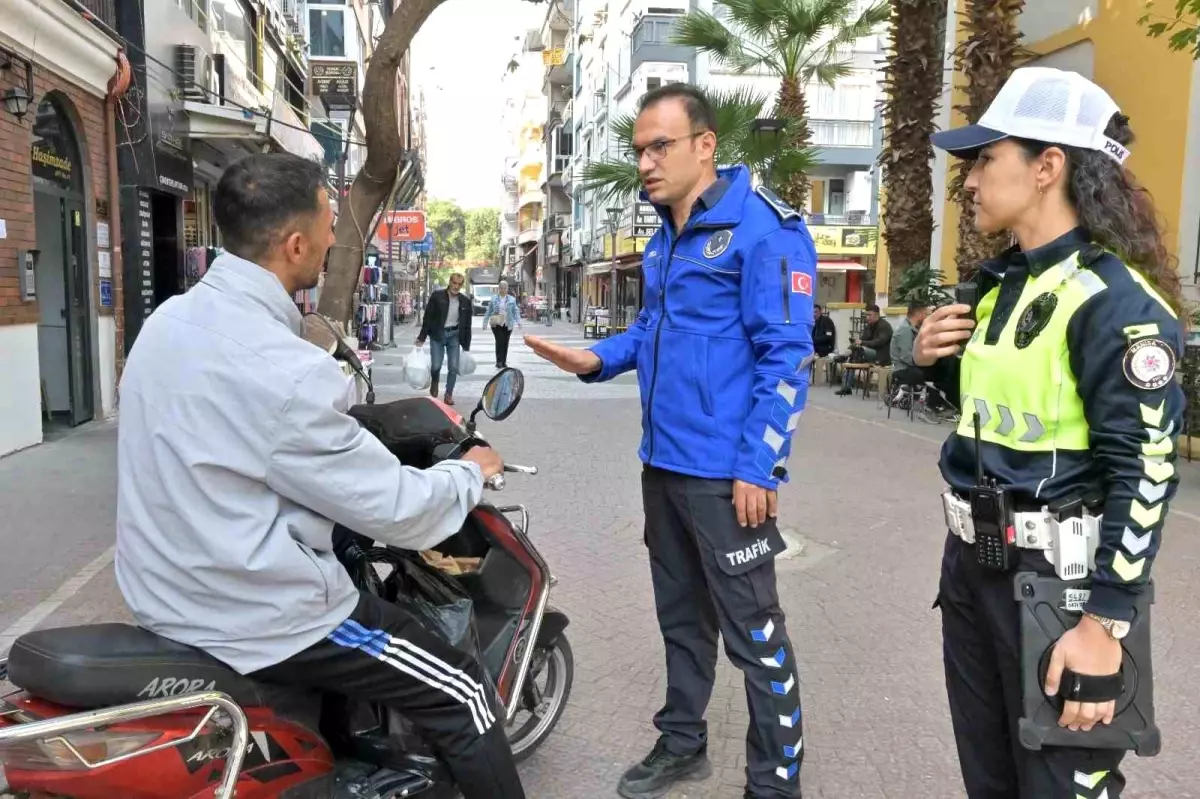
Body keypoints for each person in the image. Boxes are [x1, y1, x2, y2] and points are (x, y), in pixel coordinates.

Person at [114, 153, 524, 798]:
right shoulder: (285, 367)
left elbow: (236, 442)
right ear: (296, 242)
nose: (336, 240)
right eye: (331, 224)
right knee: (462, 689)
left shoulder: (166, 324)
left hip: (166, 591)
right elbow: (398, 511)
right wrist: (469, 473)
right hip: (264, 614)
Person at [525, 83, 814, 799]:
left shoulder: (763, 228)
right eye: (639, 150)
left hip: (726, 477)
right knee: (682, 620)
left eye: (661, 146)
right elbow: (656, 331)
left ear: (705, 145)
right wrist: (598, 360)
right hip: (664, 466)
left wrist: (760, 466)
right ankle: (682, 742)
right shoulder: (664, 235)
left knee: (755, 633)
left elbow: (787, 357)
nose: (646, 163)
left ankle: (776, 782)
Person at [915, 67, 1185, 798]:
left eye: (984, 159)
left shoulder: (1117, 303)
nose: (968, 180)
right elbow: (992, 425)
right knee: (992, 779)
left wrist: (1107, 620)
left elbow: (1149, 469)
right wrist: (935, 364)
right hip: (972, 570)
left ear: (1048, 166)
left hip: (1057, 590)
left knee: (1061, 784)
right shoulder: (1000, 285)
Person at [416, 272, 473, 405]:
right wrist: (422, 337)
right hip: (438, 335)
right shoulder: (437, 296)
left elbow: (467, 325)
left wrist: (466, 345)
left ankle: (448, 394)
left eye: (459, 284)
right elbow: (428, 317)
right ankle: (435, 381)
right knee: (436, 366)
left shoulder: (465, 301)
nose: (456, 287)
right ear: (449, 282)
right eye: (454, 283)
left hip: (454, 336)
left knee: (453, 367)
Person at [833, 303, 892, 396]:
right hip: (867, 353)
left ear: (877, 315)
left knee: (859, 350)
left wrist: (863, 343)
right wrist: (849, 349)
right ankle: (846, 387)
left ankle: (848, 356)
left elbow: (880, 341)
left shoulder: (884, 326)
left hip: (881, 356)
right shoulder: (868, 326)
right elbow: (861, 340)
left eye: (870, 315)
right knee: (854, 355)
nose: (867, 317)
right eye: (866, 315)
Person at [482, 279, 521, 368]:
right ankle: (499, 361)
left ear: (507, 289)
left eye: (505, 288)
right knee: (499, 341)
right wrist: (485, 322)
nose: (503, 289)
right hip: (496, 323)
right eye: (501, 288)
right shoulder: (494, 298)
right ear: (499, 289)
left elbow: (515, 311)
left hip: (508, 323)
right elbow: (488, 311)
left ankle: (503, 361)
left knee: (505, 342)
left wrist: (518, 321)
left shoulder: (512, 299)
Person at [890, 301, 929, 387]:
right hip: (903, 369)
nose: (926, 317)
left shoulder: (912, 328)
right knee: (933, 375)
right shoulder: (905, 329)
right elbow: (906, 356)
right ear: (918, 314)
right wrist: (924, 363)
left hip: (907, 367)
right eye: (925, 314)